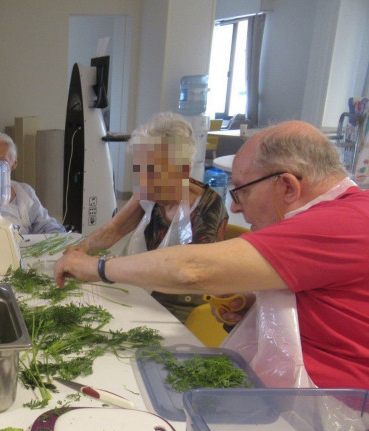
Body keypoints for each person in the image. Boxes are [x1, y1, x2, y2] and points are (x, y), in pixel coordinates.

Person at [55, 120, 369, 390]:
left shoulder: (342, 221)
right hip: (292, 395)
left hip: (332, 415)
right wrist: (254, 304)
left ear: (287, 187)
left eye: (242, 190)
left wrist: (96, 267)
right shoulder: (337, 215)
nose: (235, 207)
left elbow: (193, 271)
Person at [65, 113, 228, 322]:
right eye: (139, 169)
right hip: (146, 291)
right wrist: (80, 250)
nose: (142, 180)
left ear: (183, 171)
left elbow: (194, 277)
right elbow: (113, 230)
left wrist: (102, 268)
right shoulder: (149, 193)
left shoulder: (206, 208)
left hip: (184, 309)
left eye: (152, 171)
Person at [0, 132, 65, 234]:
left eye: (2, 161)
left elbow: (45, 223)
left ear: (14, 165)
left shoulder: (25, 192)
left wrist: (60, 238)